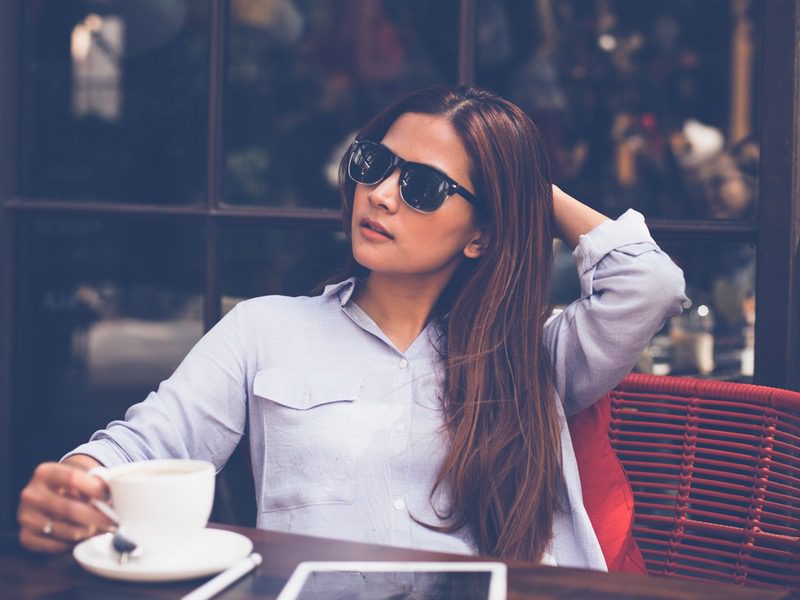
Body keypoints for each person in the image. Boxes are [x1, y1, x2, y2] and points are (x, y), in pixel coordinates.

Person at [17, 85, 686, 567]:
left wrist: (526, 188)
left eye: (423, 187)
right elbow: (148, 441)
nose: (383, 193)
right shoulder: (263, 330)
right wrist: (77, 480)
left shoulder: (530, 358)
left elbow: (648, 284)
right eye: (374, 164)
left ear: (480, 233)